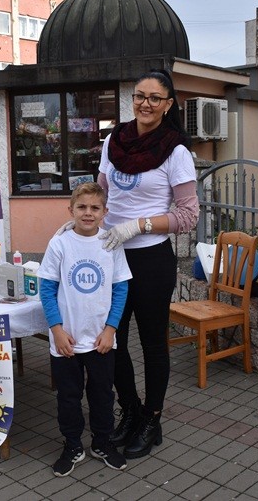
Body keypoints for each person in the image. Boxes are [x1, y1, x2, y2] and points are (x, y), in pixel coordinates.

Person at [98, 69, 199, 459]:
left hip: (150, 259)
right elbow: (101, 194)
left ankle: (152, 420)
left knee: (154, 344)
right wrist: (82, 221)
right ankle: (131, 410)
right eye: (140, 96)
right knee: (112, 340)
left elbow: (188, 216)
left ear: (168, 104)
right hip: (111, 254)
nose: (145, 103)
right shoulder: (114, 141)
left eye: (155, 98)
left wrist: (139, 225)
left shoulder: (176, 151)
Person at [38, 182, 133, 477]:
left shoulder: (111, 244)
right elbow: (46, 289)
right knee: (68, 396)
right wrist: (56, 329)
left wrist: (110, 329)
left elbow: (120, 289)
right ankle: (72, 445)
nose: (88, 213)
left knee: (102, 395)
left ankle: (102, 443)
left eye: (94, 207)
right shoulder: (59, 244)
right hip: (66, 340)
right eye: (82, 207)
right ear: (71, 210)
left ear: (105, 212)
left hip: (100, 339)